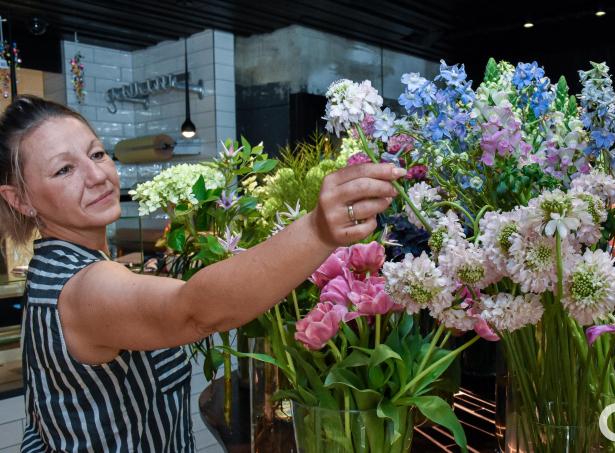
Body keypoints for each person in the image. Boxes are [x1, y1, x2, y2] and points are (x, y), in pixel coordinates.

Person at [0, 95, 404, 452]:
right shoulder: (83, 289)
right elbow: (193, 310)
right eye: (63, 171)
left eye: (97, 154)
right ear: (19, 199)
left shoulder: (55, 270)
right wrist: (318, 229)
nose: (96, 175)